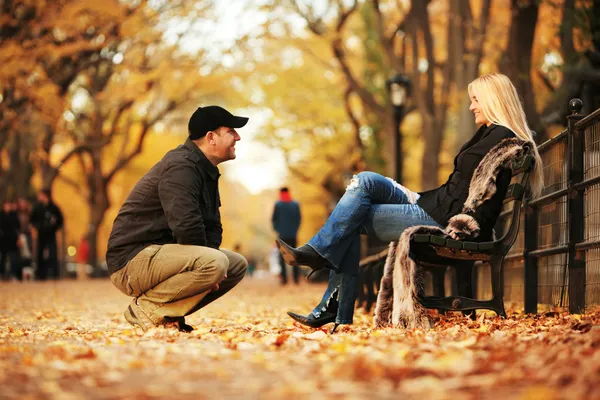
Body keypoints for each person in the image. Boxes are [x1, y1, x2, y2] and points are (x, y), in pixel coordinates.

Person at [277, 73, 544, 331]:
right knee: (365, 180)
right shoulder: (489, 134)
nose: (472, 106)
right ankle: (320, 258)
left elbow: (476, 206)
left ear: (494, 99)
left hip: (440, 217)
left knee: (351, 216)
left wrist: (459, 223)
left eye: (476, 99)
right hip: (429, 202)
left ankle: (329, 291)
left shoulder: (501, 138)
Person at [106, 105, 250, 332]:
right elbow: (186, 226)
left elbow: (212, 227)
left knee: (234, 265)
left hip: (161, 256)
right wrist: (209, 266)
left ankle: (168, 316)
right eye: (231, 131)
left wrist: (212, 271)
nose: (238, 137)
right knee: (216, 262)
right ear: (211, 138)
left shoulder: (206, 170)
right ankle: (146, 310)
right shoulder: (181, 167)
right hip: (131, 262)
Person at [30, 190, 64, 280]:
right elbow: (32, 220)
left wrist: (55, 226)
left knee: (53, 255)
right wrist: (38, 226)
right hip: (41, 234)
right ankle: (40, 275)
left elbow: (60, 220)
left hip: (51, 234)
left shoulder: (54, 207)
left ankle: (55, 275)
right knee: (40, 254)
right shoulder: (37, 208)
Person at [271, 187, 302, 285]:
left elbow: (274, 219)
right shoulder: (295, 204)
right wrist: (295, 229)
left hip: (282, 235)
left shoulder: (278, 204)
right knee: (295, 256)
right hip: (293, 234)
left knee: (282, 257)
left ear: (281, 193)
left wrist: (277, 230)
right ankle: (296, 279)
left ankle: (284, 280)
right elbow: (299, 219)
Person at [0, 200, 21, 280]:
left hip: (12, 239)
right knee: (2, 258)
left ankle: (13, 274)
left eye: (9, 205)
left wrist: (18, 238)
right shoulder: (1, 215)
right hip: (2, 239)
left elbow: (18, 227)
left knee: (14, 258)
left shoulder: (14, 215)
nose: (8, 207)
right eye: (6, 205)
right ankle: (2, 274)